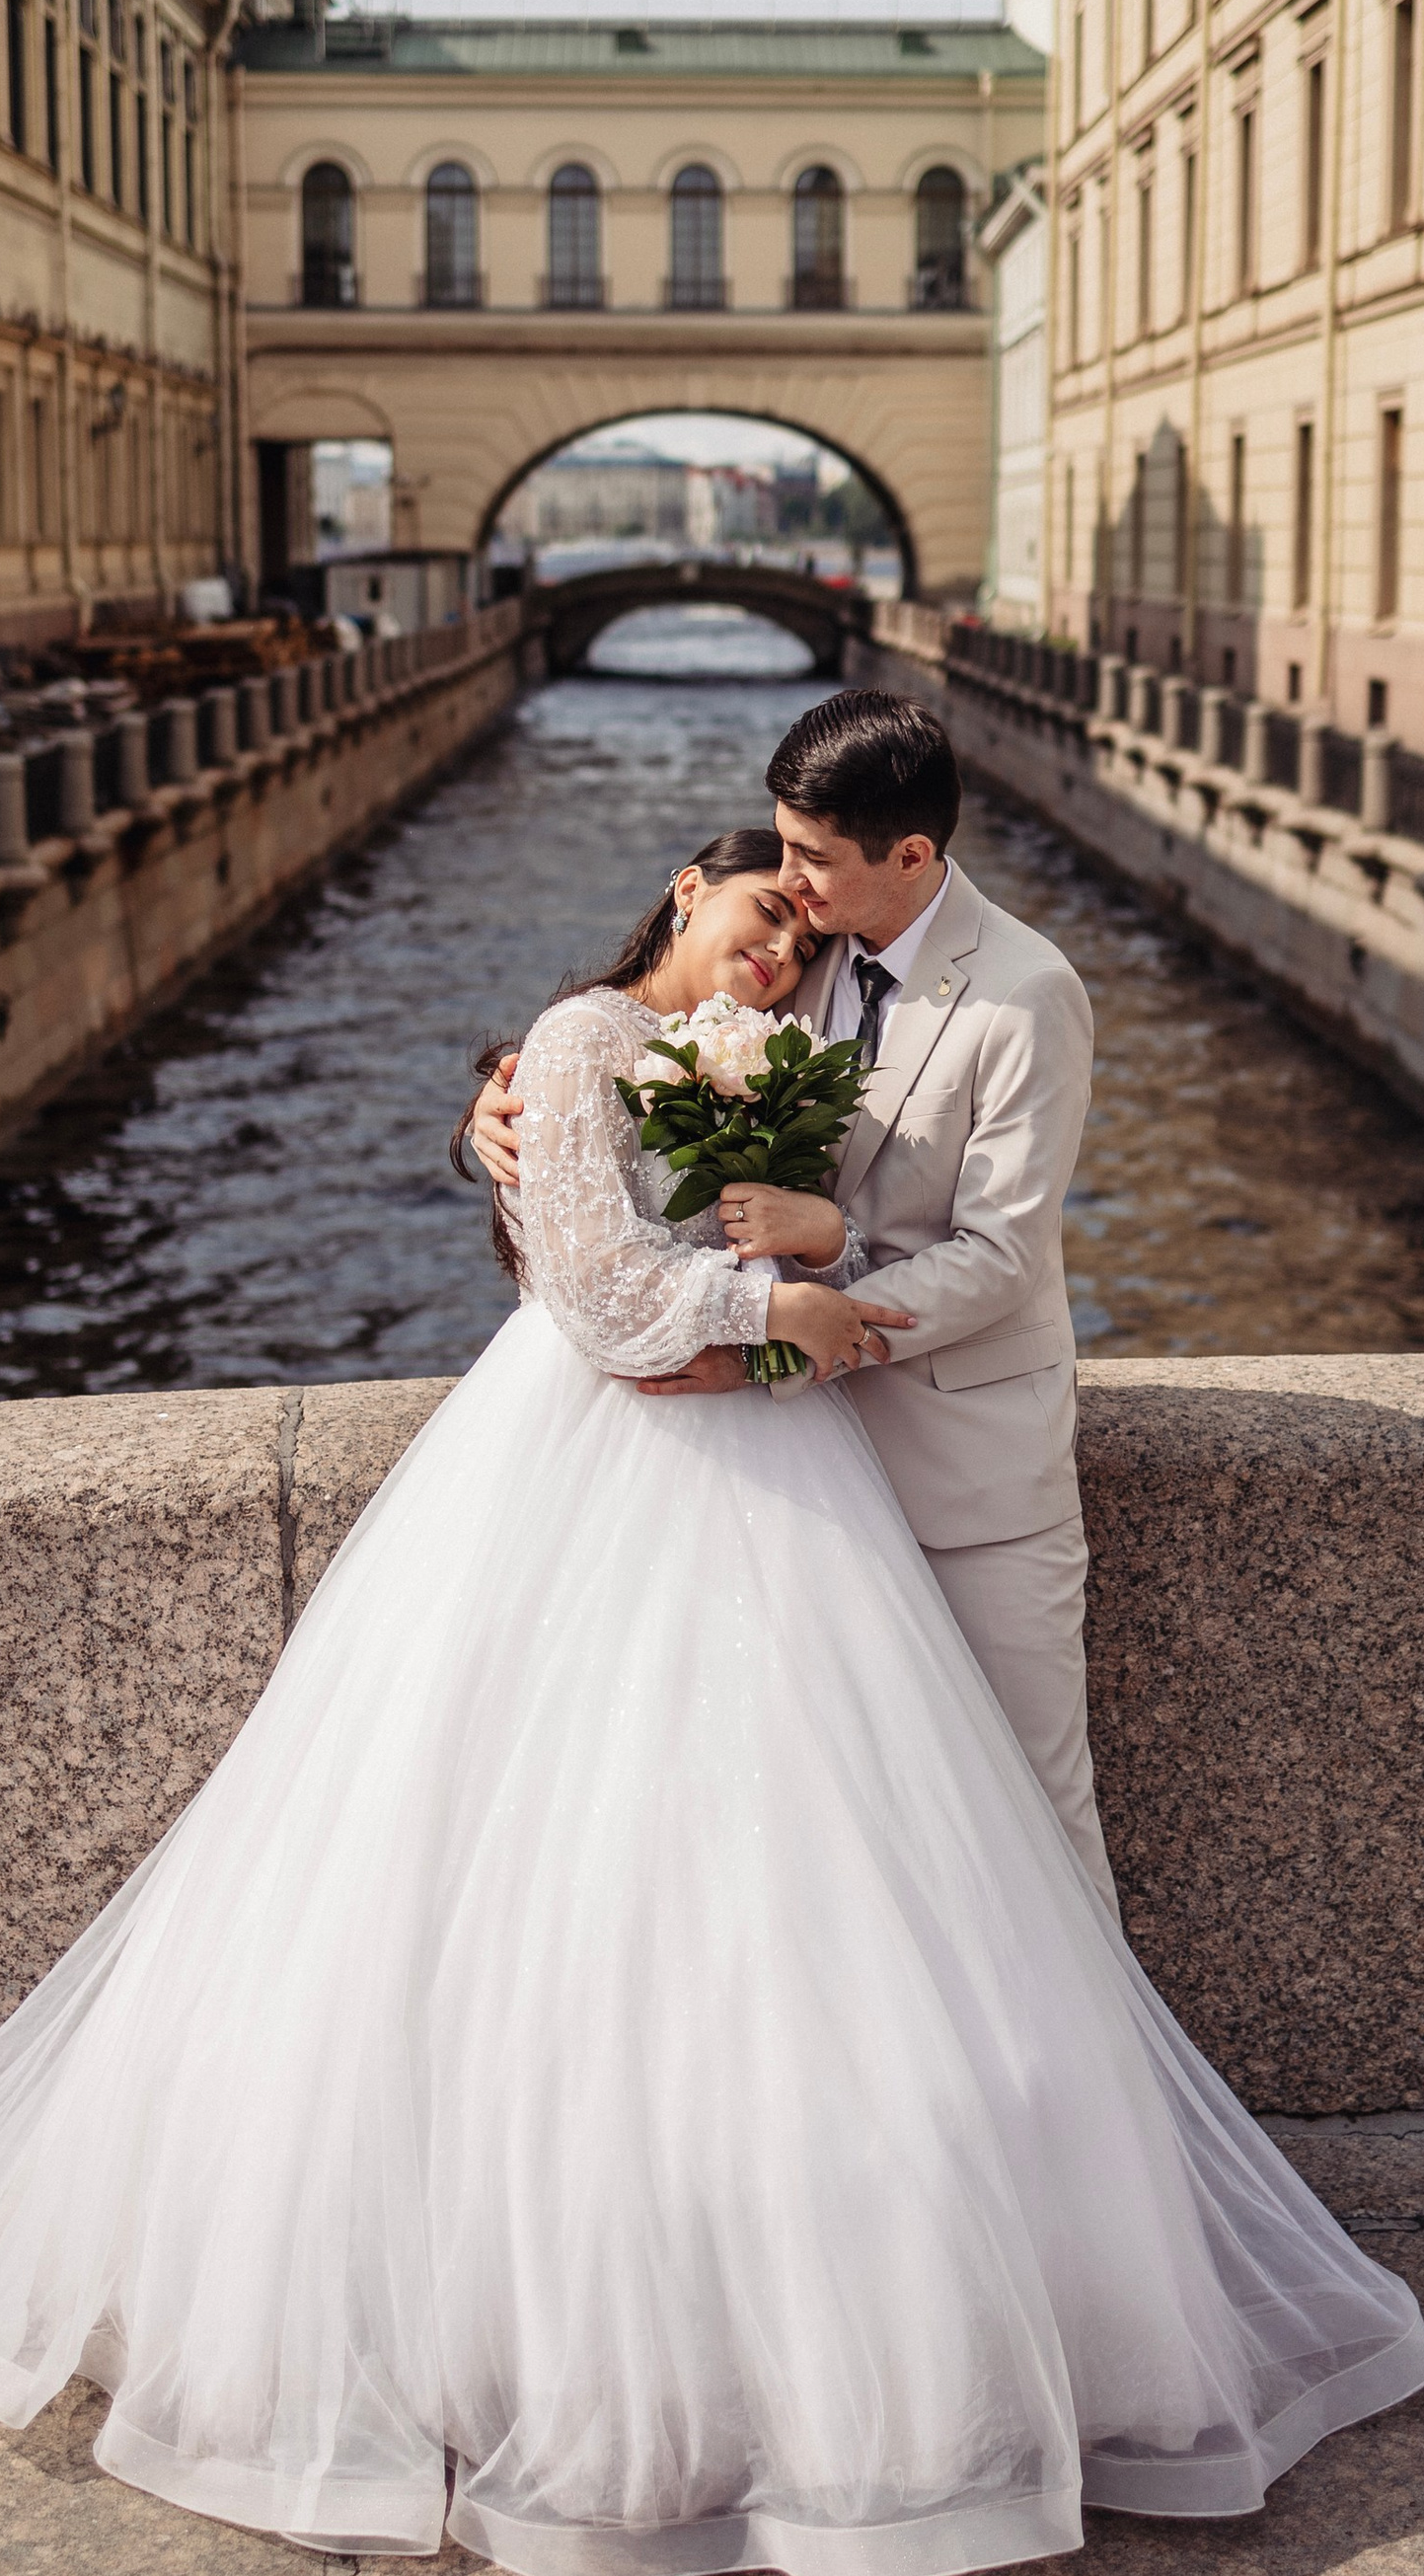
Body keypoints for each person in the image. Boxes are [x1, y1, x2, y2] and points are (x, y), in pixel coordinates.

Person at [0, 822, 1424, 2576]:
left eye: (800, 930)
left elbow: (851, 1212)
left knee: (790, 1871)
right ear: (685, 898)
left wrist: (809, 1294)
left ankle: (851, 2307)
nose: (782, 954)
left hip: (778, 1465)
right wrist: (787, 1318)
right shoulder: (582, 1039)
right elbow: (605, 1298)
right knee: (537, 1865)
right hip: (614, 1453)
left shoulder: (793, 1026)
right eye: (762, 913)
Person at [471, 690, 1111, 1898]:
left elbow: (1001, 1253)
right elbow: (620, 1070)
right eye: (785, 853)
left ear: (911, 855)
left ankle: (1088, 2087)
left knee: (1032, 1814)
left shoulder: (1027, 995)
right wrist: (501, 1108)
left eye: (815, 861)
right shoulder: (788, 966)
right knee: (840, 1838)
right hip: (798, 1489)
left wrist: (800, 1330)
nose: (796, 891)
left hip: (967, 1472)